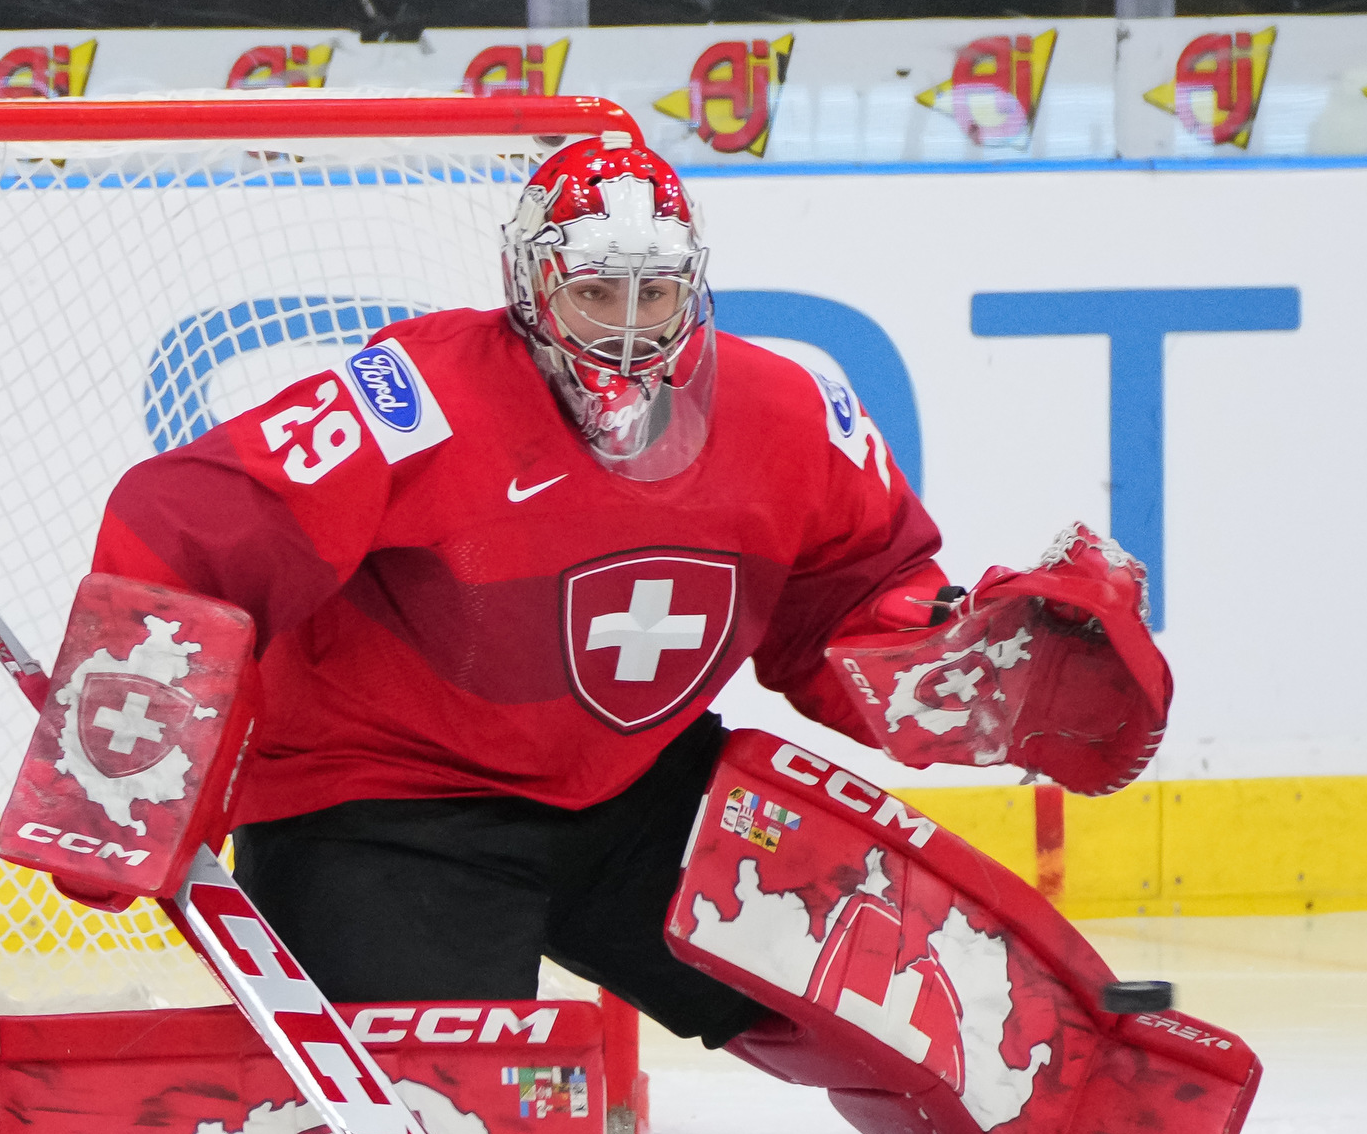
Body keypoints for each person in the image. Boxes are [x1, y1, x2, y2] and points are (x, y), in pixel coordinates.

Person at [88, 136, 957, 1048]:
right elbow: (190, 519)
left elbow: (859, 595)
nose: (628, 327)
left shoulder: (793, 411)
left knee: (883, 1001)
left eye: (653, 293)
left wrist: (966, 666)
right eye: (593, 293)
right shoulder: (415, 394)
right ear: (531, 284)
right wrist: (138, 748)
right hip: (389, 806)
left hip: (631, 793)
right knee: (443, 1117)